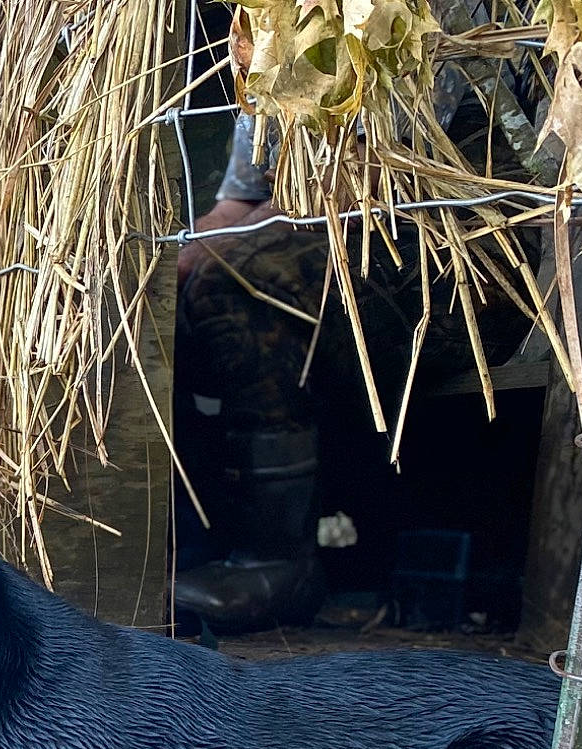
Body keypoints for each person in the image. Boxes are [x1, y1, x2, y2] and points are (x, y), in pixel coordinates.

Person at [172, 27, 549, 633]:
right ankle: (195, 548)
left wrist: (241, 249)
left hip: (467, 245)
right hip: (329, 229)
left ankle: (276, 562)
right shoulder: (276, 26)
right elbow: (240, 200)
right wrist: (185, 256)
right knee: (178, 292)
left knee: (244, 284)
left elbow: (388, 175)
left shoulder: (446, 18)